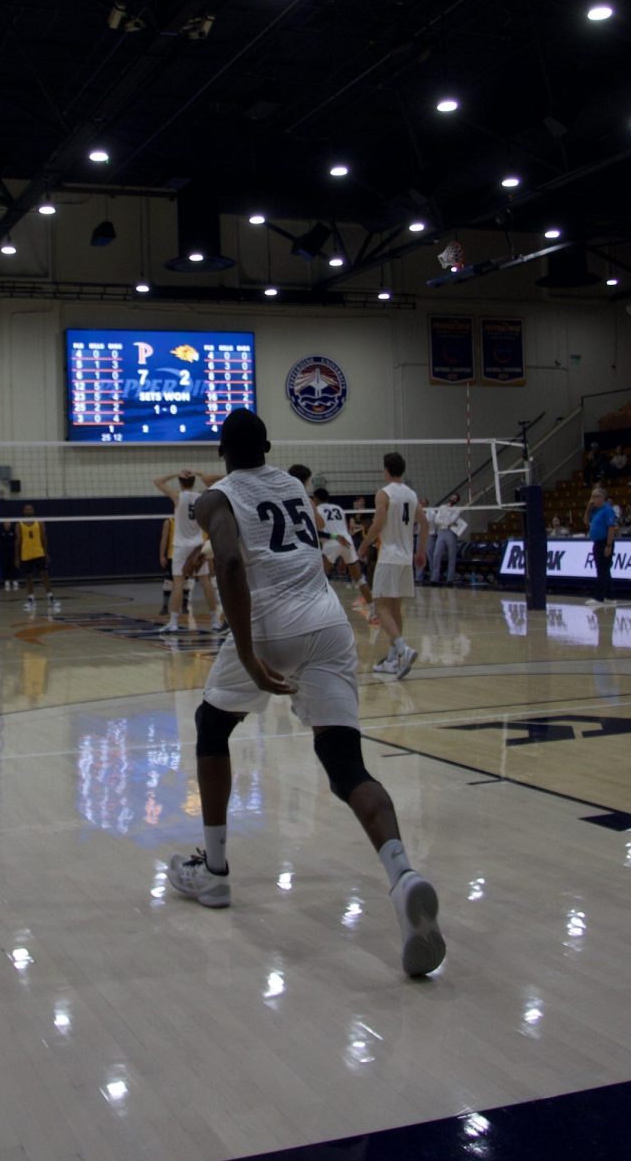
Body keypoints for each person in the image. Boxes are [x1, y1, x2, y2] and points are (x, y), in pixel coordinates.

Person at [165, 409, 445, 979]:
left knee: (212, 726)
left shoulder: (214, 498)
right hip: (327, 623)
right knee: (345, 764)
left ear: (221, 453)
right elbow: (292, 545)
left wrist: (246, 651)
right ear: (268, 445)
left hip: (269, 624)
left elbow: (235, 560)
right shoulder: (293, 484)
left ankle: (215, 872)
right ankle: (402, 876)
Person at [359, 453, 429, 680]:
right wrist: (420, 552)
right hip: (406, 559)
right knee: (395, 608)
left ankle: (403, 649)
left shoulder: (384, 493)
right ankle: (391, 659)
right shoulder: (411, 494)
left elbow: (378, 523)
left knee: (380, 607)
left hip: (389, 556)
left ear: (386, 470)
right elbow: (425, 523)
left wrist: (363, 545)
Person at [153, 468, 225, 633]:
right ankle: (215, 621)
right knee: (205, 581)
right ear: (193, 482)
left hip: (180, 545)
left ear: (180, 482)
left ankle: (173, 623)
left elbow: (157, 481)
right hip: (197, 544)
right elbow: (218, 480)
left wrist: (175, 473)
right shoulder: (202, 497)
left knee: (178, 582)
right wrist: (200, 473)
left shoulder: (178, 496)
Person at [312, 488, 372, 603]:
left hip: (331, 542)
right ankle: (373, 610)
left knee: (319, 578)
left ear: (316, 498)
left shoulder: (316, 510)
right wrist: (344, 559)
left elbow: (317, 532)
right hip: (347, 542)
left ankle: (323, 606)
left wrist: (334, 538)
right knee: (359, 579)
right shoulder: (338, 508)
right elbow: (344, 529)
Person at [16, 506, 56, 613]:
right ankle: (30, 599)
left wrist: (45, 552)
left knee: (45, 575)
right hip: (26, 554)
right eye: (26, 509)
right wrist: (17, 557)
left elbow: (44, 538)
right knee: (28, 578)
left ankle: (51, 598)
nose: (28, 510)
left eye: (30, 509)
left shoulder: (40, 523)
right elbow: (18, 542)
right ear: (23, 511)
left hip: (39, 553)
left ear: (33, 511)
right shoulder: (19, 524)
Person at [585, 486, 618, 606]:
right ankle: (610, 595)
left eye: (595, 496)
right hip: (597, 542)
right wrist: (588, 509)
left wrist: (608, 545)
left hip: (605, 542)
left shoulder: (607, 510)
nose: (592, 499)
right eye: (591, 496)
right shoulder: (595, 510)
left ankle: (599, 597)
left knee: (602, 570)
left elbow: (611, 528)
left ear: (602, 497)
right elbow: (586, 521)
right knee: (604, 569)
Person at [158, 515, 192, 616]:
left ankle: (184, 606)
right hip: (172, 555)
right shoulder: (170, 521)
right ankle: (165, 606)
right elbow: (164, 539)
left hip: (186, 555)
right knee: (169, 581)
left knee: (185, 580)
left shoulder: (189, 521)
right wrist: (162, 556)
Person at [429, 494, 464, 585]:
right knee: (436, 554)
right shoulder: (442, 507)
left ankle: (450, 579)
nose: (452, 499)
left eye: (455, 498)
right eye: (452, 497)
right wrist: (445, 523)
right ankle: (434, 578)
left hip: (450, 533)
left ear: (457, 500)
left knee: (451, 556)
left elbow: (451, 521)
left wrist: (444, 521)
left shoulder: (457, 509)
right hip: (441, 532)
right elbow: (436, 520)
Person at [0, 519, 17, 591]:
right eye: (6, 523)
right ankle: (6, 581)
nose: (7, 524)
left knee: (13, 566)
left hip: (12, 551)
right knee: (4, 566)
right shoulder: (0, 531)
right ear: (3, 524)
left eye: (8, 523)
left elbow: (16, 540)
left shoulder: (13, 531)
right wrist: (0, 547)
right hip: (3, 552)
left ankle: (14, 580)